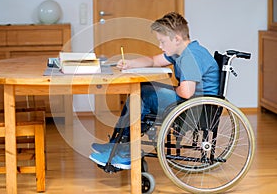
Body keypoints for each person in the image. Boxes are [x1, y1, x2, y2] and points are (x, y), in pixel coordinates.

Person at [89, 12, 220, 170]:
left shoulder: (190, 56)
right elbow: (153, 60)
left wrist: (165, 90)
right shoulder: (183, 52)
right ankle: (116, 145)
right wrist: (130, 63)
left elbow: (186, 92)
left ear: (176, 39)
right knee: (143, 90)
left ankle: (124, 151)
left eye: (163, 42)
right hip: (192, 103)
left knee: (143, 94)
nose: (160, 46)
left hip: (195, 109)